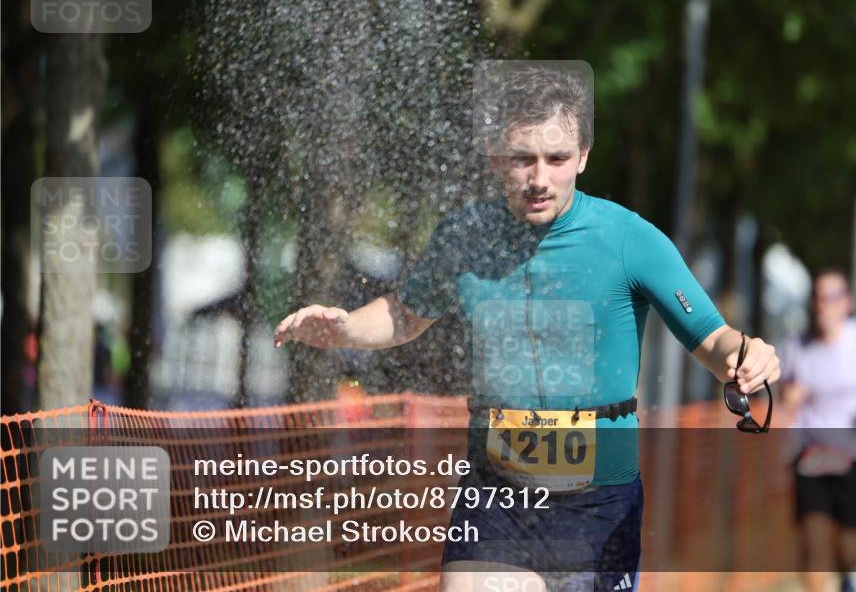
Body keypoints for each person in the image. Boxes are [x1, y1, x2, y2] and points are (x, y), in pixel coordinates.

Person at [274, 65, 781, 591]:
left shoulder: (631, 239)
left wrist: (747, 356)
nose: (540, 178)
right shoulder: (465, 237)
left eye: (557, 159)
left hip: (599, 505)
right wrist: (344, 327)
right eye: (524, 159)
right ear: (496, 158)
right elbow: (405, 314)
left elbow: (714, 340)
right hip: (495, 498)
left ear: (583, 156)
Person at [780, 268, 856, 592]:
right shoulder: (797, 346)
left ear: (847, 302)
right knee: (813, 543)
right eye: (818, 297)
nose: (824, 305)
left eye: (832, 297)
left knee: (849, 549)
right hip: (812, 452)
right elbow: (785, 391)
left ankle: (847, 574)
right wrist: (790, 395)